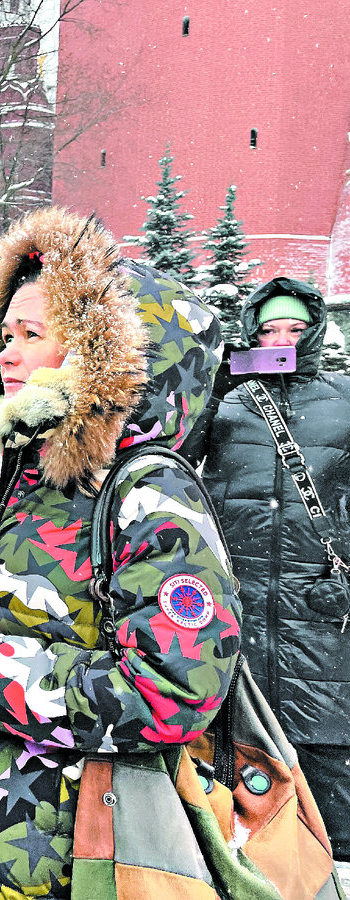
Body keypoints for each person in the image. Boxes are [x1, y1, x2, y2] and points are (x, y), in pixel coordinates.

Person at [0, 208, 239, 898]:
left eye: (31, 335)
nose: (6, 356)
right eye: (6, 335)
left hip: (82, 857)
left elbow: (171, 690)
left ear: (95, 352)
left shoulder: (148, 490)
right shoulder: (20, 469)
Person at [198, 277, 350, 861]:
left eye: (293, 329)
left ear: (315, 331)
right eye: (267, 330)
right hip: (240, 608)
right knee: (244, 766)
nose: (280, 339)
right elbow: (174, 461)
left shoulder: (342, 398)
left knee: (328, 764)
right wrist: (213, 388)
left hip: (321, 616)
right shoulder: (229, 402)